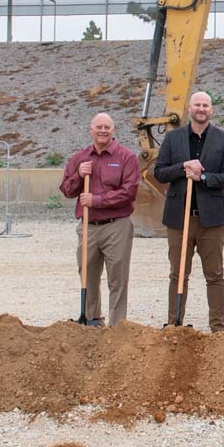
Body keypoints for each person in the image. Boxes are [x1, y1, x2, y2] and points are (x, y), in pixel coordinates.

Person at [154, 91, 224, 332]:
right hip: (179, 219)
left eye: (206, 105)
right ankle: (174, 323)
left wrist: (203, 177)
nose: (202, 109)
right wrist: (183, 167)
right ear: (189, 109)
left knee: (214, 274)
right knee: (178, 274)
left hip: (210, 220)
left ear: (211, 110)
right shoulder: (173, 138)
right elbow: (159, 172)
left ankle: (218, 328)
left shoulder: (223, 139)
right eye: (197, 105)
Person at [59, 112, 140, 327]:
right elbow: (66, 190)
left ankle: (117, 325)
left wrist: (96, 200)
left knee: (118, 277)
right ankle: (92, 319)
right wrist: (78, 174)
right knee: (87, 273)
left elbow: (129, 192)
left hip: (117, 225)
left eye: (107, 127)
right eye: (99, 127)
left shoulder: (126, 157)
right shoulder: (80, 158)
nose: (103, 131)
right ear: (91, 130)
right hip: (88, 226)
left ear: (113, 130)